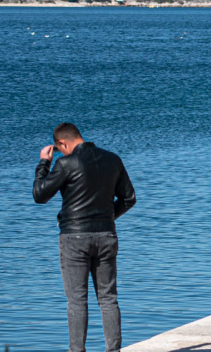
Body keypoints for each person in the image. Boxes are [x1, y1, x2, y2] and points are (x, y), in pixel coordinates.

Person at [33, 123, 136, 352]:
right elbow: (129, 199)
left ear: (63, 143)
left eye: (60, 150)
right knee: (108, 298)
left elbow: (39, 195)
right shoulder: (113, 160)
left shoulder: (65, 163)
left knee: (77, 301)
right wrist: (107, 217)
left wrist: (44, 163)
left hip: (74, 237)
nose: (62, 153)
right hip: (106, 235)